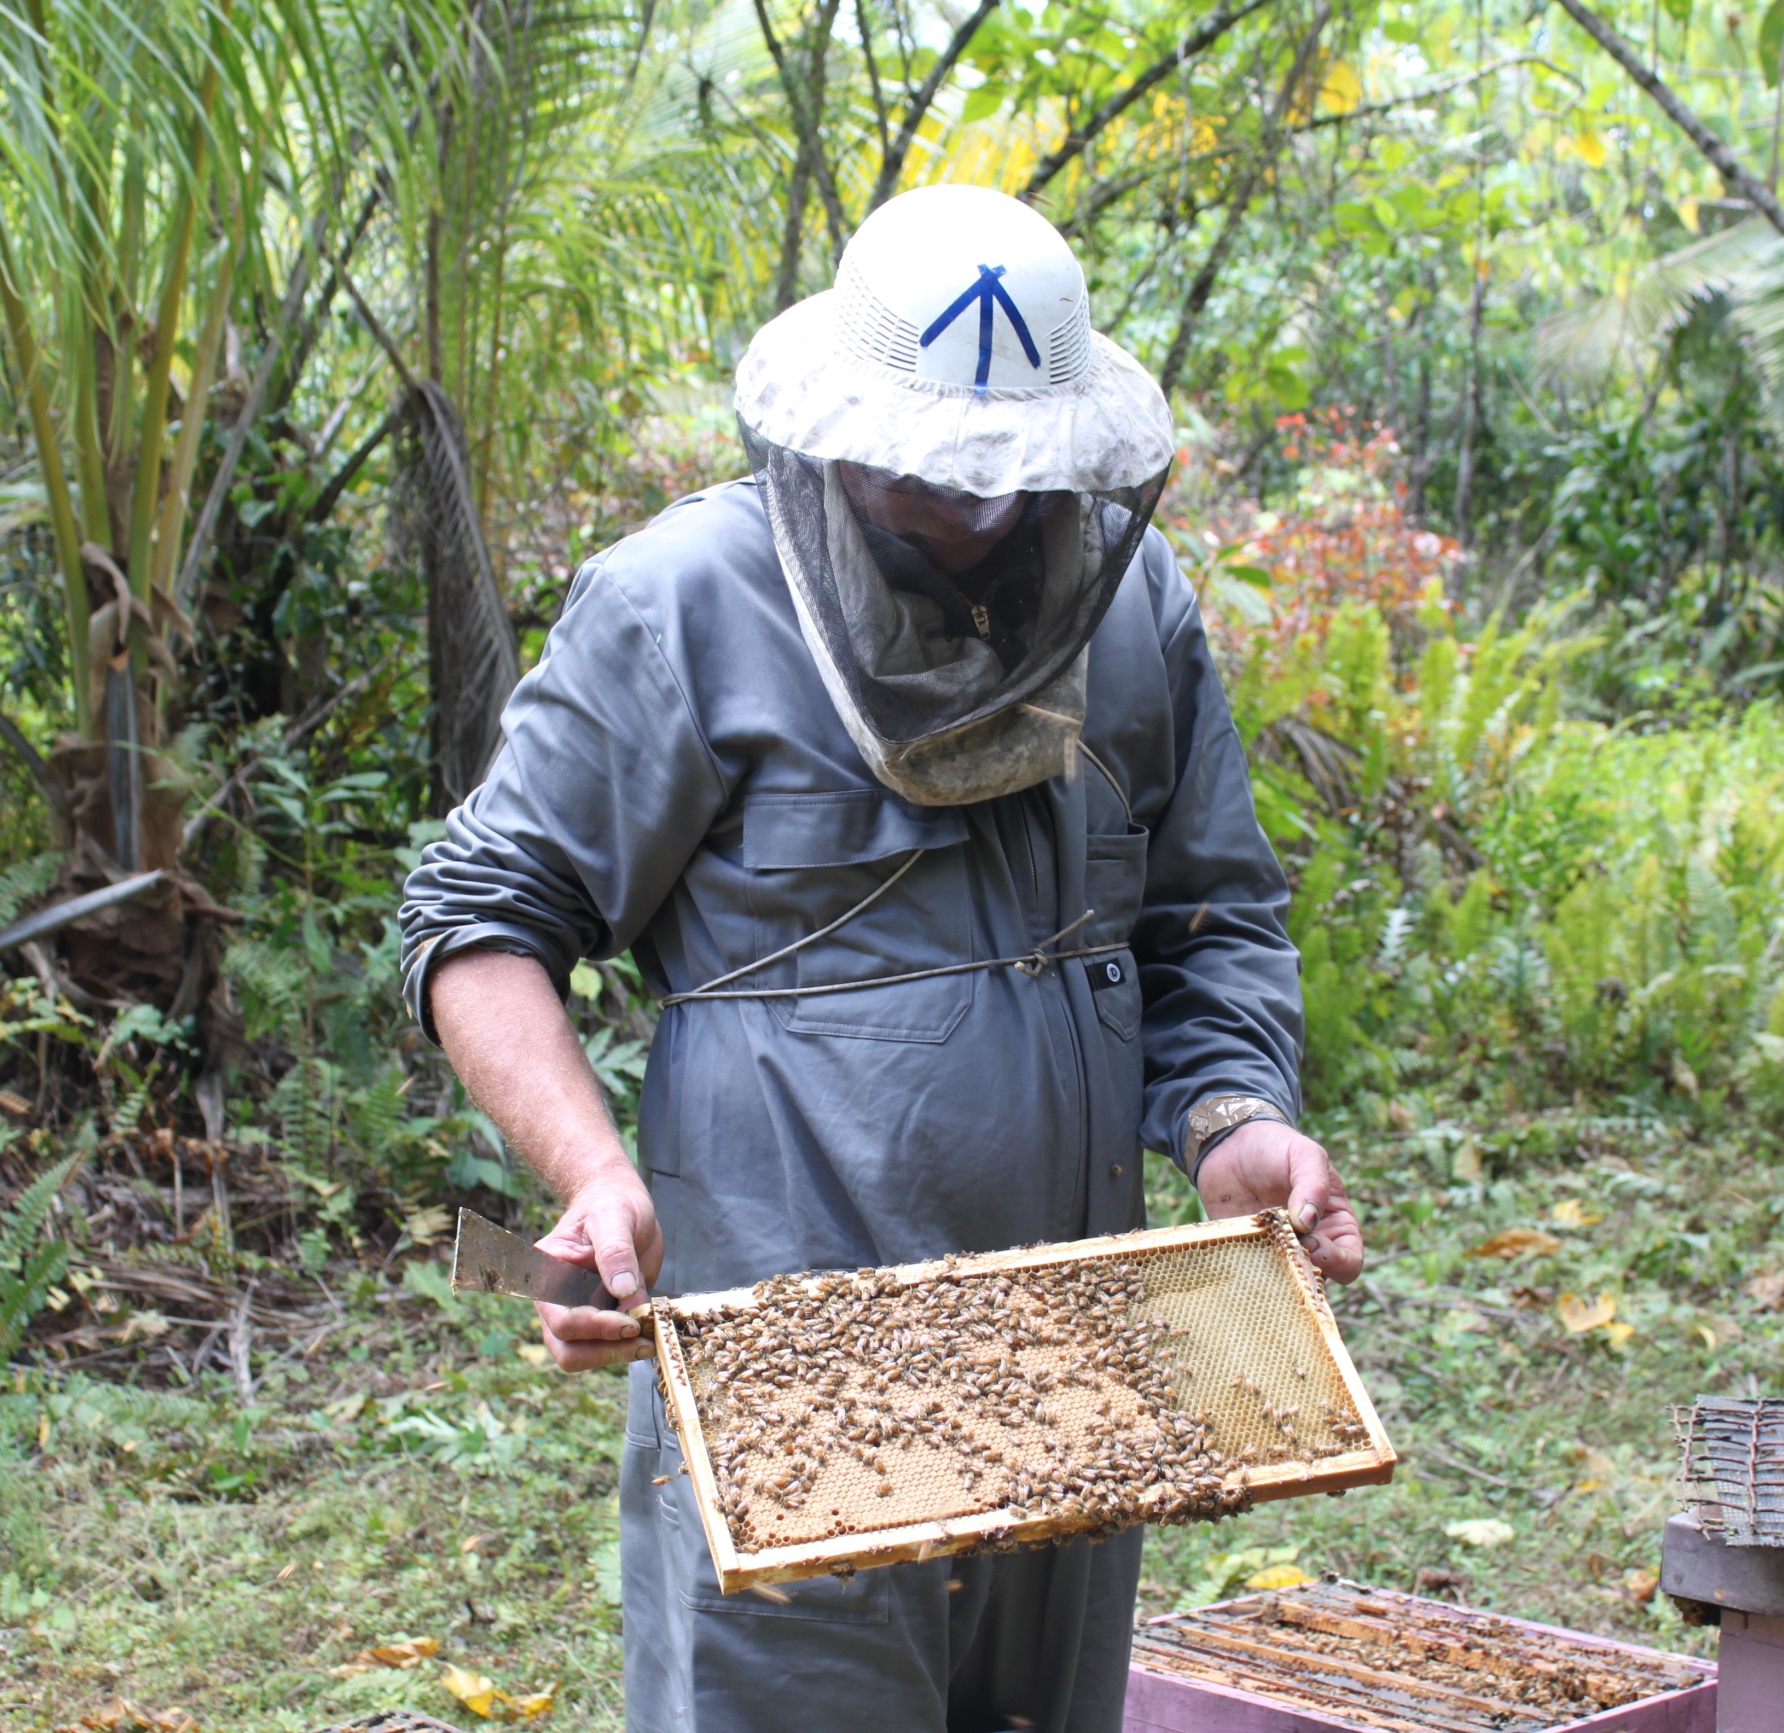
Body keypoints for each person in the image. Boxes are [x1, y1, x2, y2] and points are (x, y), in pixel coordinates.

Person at [399, 182, 1363, 1733]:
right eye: (930, 472)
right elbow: (483, 917)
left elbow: (1209, 917)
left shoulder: (1139, 607)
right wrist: (588, 1169)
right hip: (790, 1387)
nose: (969, 506)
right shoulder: (680, 602)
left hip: (1082, 1369)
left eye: (1005, 476)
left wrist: (1235, 1119)